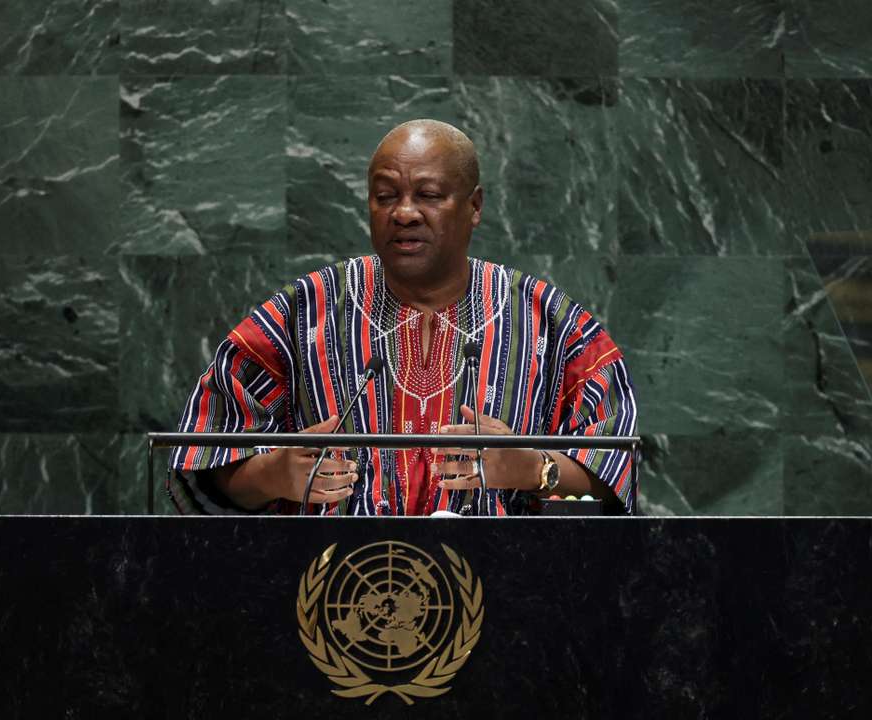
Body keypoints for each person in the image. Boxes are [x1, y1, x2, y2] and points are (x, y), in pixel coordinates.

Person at [169, 119, 638, 516]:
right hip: (335, 596)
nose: (405, 213)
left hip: (504, 594)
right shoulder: (301, 312)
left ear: (474, 207)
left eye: (429, 195)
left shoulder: (551, 322)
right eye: (385, 196)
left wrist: (535, 469)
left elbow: (616, 472)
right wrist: (274, 473)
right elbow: (203, 468)